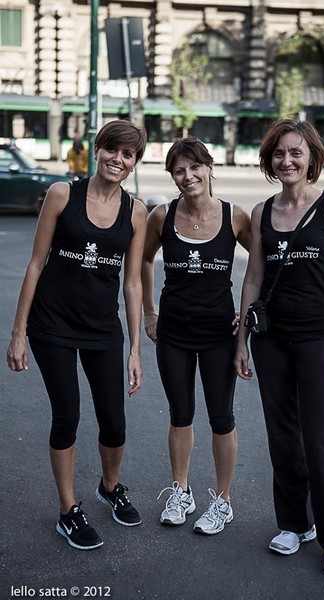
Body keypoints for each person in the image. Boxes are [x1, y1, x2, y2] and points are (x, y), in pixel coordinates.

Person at [7, 119, 148, 551]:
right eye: (111, 149)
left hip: (103, 327)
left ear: (134, 162)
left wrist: (136, 348)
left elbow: (133, 283)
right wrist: (18, 332)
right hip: (52, 325)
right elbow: (36, 263)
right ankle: (68, 511)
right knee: (67, 415)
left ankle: (110, 486)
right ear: (97, 149)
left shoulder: (135, 212)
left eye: (127, 154)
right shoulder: (62, 194)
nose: (117, 159)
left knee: (114, 421)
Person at [234, 118, 324, 574]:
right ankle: (293, 523)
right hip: (271, 339)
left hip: (319, 339)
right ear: (270, 160)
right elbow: (254, 278)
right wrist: (242, 341)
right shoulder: (262, 211)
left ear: (311, 159)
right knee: (283, 434)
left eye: (295, 153)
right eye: (279, 153)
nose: (286, 160)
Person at [142, 137, 250, 535]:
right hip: (173, 333)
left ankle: (222, 501)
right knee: (180, 414)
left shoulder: (235, 217)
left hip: (219, 334)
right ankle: (181, 492)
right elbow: (143, 260)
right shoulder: (162, 216)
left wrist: (247, 311)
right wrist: (149, 312)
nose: (188, 176)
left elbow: (262, 265)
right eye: (179, 171)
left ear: (209, 167)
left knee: (222, 418)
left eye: (194, 167)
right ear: (172, 177)